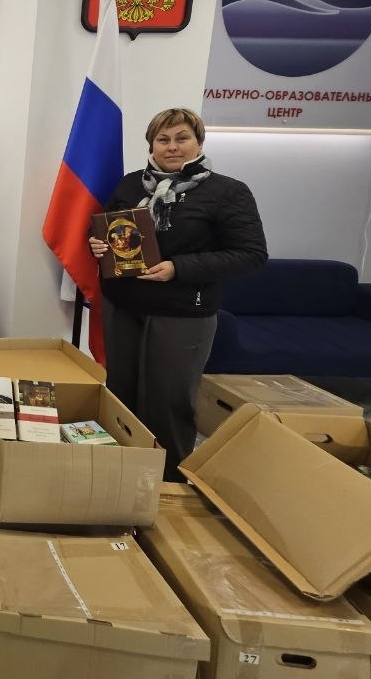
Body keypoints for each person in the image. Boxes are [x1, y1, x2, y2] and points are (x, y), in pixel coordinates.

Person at [89, 107, 267, 481]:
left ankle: (167, 484)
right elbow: (109, 232)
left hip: (181, 313)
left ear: (198, 142)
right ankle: (119, 478)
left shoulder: (227, 192)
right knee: (120, 396)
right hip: (122, 306)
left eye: (182, 138)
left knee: (167, 404)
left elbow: (251, 255)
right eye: (163, 139)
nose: (172, 147)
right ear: (151, 145)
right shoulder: (130, 185)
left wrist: (178, 268)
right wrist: (98, 245)